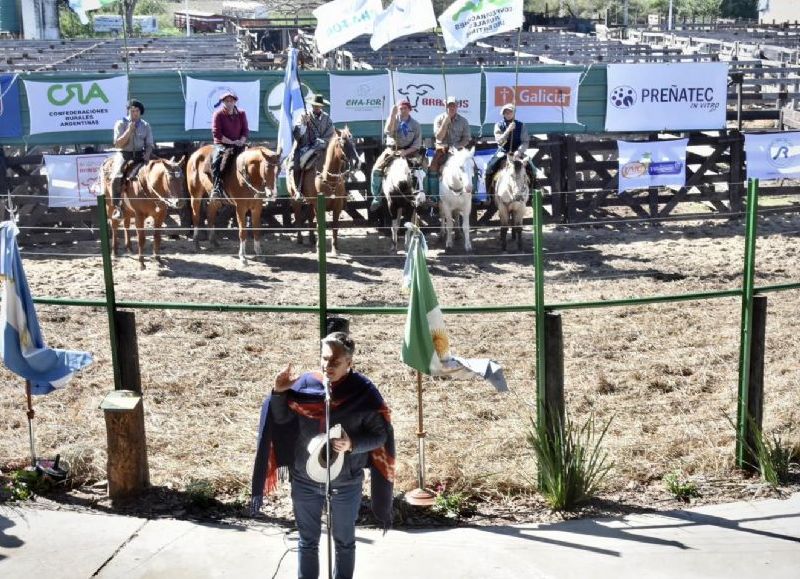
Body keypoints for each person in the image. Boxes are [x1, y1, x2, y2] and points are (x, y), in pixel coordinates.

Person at [251, 332, 395, 579]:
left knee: (344, 543)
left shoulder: (363, 392)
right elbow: (282, 418)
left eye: (335, 362)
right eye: (324, 359)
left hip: (346, 482)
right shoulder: (306, 385)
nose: (327, 366)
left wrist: (353, 444)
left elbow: (380, 435)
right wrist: (278, 393)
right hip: (305, 480)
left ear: (349, 363)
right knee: (307, 541)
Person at [369, 98, 423, 213]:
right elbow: (388, 131)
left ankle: (423, 197)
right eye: (400, 108)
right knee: (376, 170)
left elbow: (417, 144)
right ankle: (377, 198)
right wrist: (392, 115)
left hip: (409, 151)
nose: (402, 110)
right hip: (392, 150)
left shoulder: (416, 125)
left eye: (405, 108)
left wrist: (406, 152)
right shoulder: (393, 119)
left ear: (409, 110)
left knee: (422, 171)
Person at [110, 99, 153, 219]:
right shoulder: (121, 124)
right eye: (132, 110)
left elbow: (149, 144)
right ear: (128, 111)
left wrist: (147, 154)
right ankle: (118, 207)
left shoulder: (145, 126)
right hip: (124, 154)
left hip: (140, 154)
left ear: (140, 112)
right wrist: (129, 131)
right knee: (117, 177)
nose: (134, 113)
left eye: (137, 111)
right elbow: (118, 144)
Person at [484, 103, 534, 202]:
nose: (508, 114)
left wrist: (518, 152)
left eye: (510, 112)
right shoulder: (498, 125)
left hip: (517, 153)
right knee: (489, 168)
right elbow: (499, 141)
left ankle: (533, 192)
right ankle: (488, 194)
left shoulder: (521, 125)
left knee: (532, 168)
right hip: (503, 152)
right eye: (506, 112)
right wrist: (508, 130)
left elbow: (525, 142)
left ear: (514, 113)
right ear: (503, 114)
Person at [428, 95, 472, 203]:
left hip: (458, 149)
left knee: (471, 167)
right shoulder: (438, 119)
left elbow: (466, 139)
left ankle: (471, 194)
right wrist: (445, 122)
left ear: (457, 107)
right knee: (432, 169)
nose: (451, 108)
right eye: (449, 106)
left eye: (453, 106)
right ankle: (434, 197)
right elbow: (438, 137)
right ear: (445, 107)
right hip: (442, 150)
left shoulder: (463, 121)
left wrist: (456, 147)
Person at [292, 94, 335, 196]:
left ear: (322, 106)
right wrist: (303, 125)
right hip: (306, 148)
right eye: (314, 105)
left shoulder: (327, 118)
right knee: (297, 166)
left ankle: (339, 188)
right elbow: (297, 134)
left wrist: (322, 142)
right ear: (311, 106)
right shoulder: (304, 116)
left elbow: (330, 134)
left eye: (318, 105)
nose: (316, 107)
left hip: (323, 147)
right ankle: (298, 189)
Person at [210, 91, 249, 201]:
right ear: (223, 102)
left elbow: (245, 130)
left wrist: (241, 140)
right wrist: (232, 142)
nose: (229, 103)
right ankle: (216, 188)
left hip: (238, 143)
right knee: (216, 161)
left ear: (235, 102)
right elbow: (216, 134)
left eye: (231, 101)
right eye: (227, 101)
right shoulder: (218, 114)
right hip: (222, 144)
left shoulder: (242, 113)